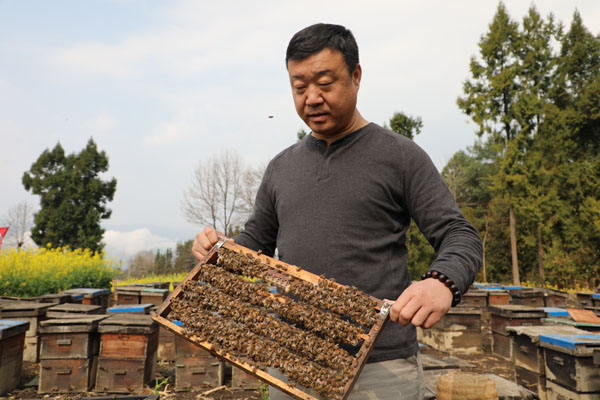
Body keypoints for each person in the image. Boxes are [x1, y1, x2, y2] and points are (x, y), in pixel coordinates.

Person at [192, 23, 482, 400]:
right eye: (299, 87)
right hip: (293, 361)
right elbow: (255, 243)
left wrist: (441, 282)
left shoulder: (399, 156)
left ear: (356, 76)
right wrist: (219, 249)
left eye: (325, 83)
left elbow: (459, 234)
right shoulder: (281, 167)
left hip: (381, 366)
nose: (312, 98)